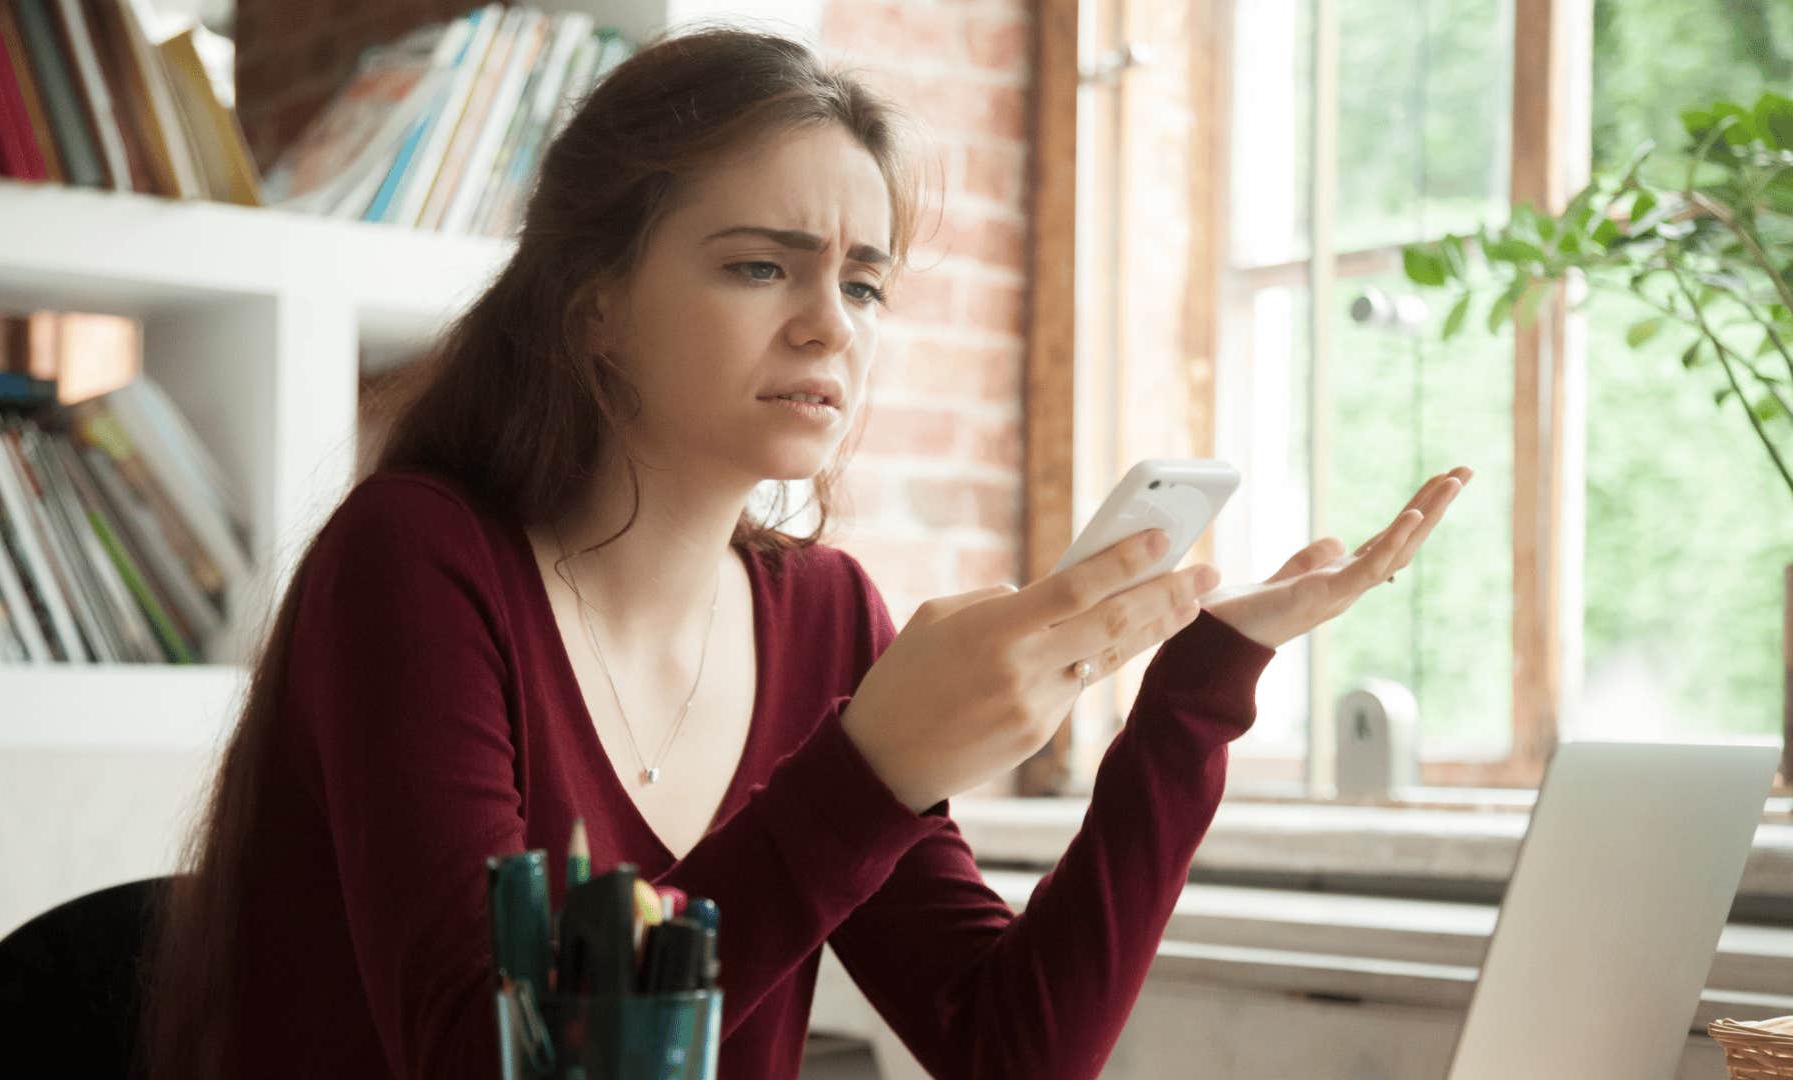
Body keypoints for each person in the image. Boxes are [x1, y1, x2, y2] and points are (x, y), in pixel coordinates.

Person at [137, 25, 1471, 1080]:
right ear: (593, 305)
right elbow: (486, 1061)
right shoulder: (417, 562)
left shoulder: (827, 614)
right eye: (761, 268)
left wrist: (1195, 696)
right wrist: (872, 770)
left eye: (866, 282)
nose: (833, 327)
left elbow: (1007, 1047)